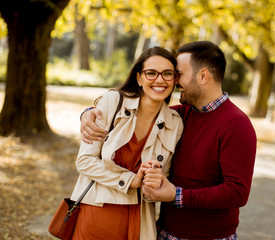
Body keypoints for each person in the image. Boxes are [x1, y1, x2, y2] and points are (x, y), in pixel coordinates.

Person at [81, 41, 257, 240]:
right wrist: (89, 114)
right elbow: (141, 111)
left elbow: (237, 192)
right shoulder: (181, 115)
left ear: (203, 76)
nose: (174, 82)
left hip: (208, 237)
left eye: (178, 74)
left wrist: (177, 195)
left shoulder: (236, 124)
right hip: (165, 233)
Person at [70, 46, 183, 240]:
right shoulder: (114, 101)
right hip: (97, 210)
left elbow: (162, 180)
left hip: (139, 220)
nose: (159, 80)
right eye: (151, 73)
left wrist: (154, 183)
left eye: (167, 74)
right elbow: (84, 161)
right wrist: (130, 181)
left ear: (174, 80)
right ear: (139, 78)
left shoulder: (175, 122)